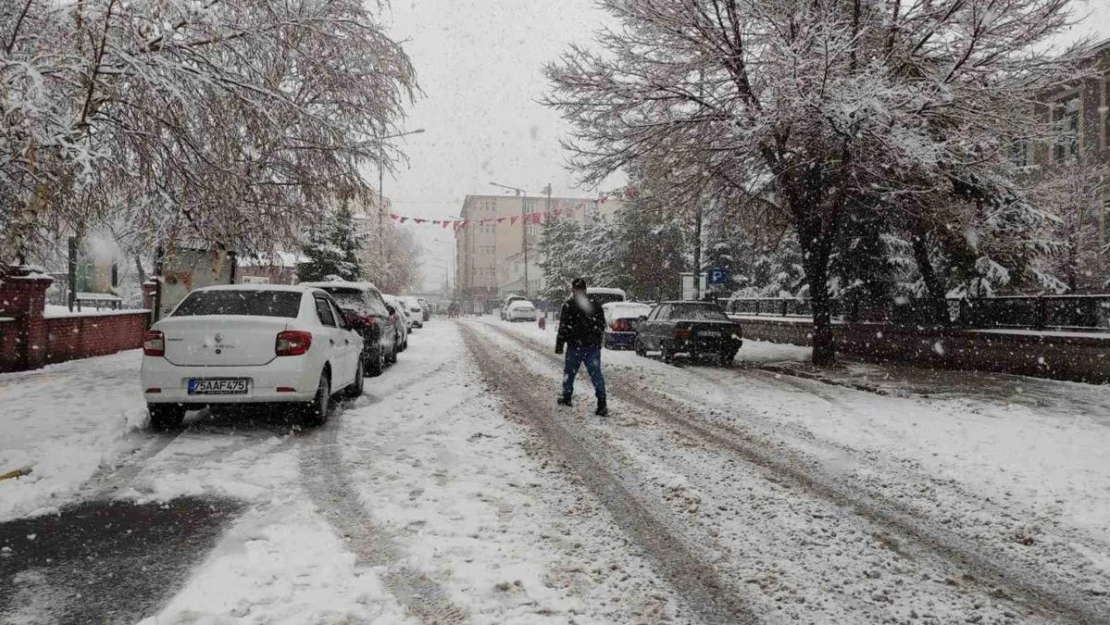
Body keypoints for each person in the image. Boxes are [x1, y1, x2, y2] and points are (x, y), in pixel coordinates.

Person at [555, 278, 608, 416]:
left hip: (575, 346)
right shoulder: (595, 305)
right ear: (585, 289)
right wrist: (596, 340)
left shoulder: (568, 305)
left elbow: (563, 327)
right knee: (596, 374)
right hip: (592, 347)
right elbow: (602, 325)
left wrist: (560, 344)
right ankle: (602, 402)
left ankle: (567, 397)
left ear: (573, 290)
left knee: (570, 373)